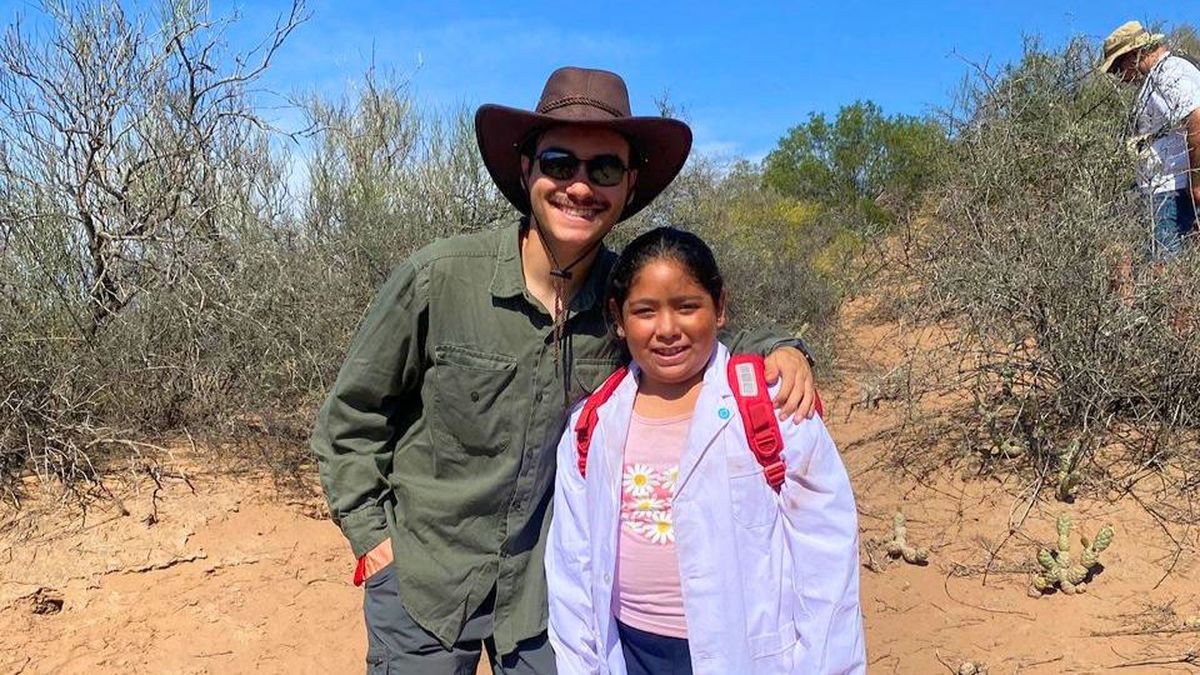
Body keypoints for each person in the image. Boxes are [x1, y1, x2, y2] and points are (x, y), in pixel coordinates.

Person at [310, 66, 819, 674]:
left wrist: (784, 347)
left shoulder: (625, 301)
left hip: (547, 598)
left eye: (603, 169)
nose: (580, 187)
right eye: (560, 163)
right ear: (526, 169)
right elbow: (351, 418)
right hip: (424, 584)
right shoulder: (439, 278)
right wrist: (374, 541)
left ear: (629, 186)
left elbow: (701, 339)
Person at [546, 227, 864, 675]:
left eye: (687, 306)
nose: (668, 330)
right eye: (645, 311)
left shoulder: (772, 405)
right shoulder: (592, 421)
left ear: (719, 307)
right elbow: (571, 561)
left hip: (744, 650)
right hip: (628, 649)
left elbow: (826, 554)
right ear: (618, 319)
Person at [1100, 20, 1200, 259]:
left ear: (1132, 55)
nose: (1119, 77)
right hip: (1163, 191)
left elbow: (1197, 121)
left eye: (1117, 68)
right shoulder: (1156, 78)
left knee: (1166, 271)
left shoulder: (1170, 72)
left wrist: (1197, 184)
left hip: (1173, 191)